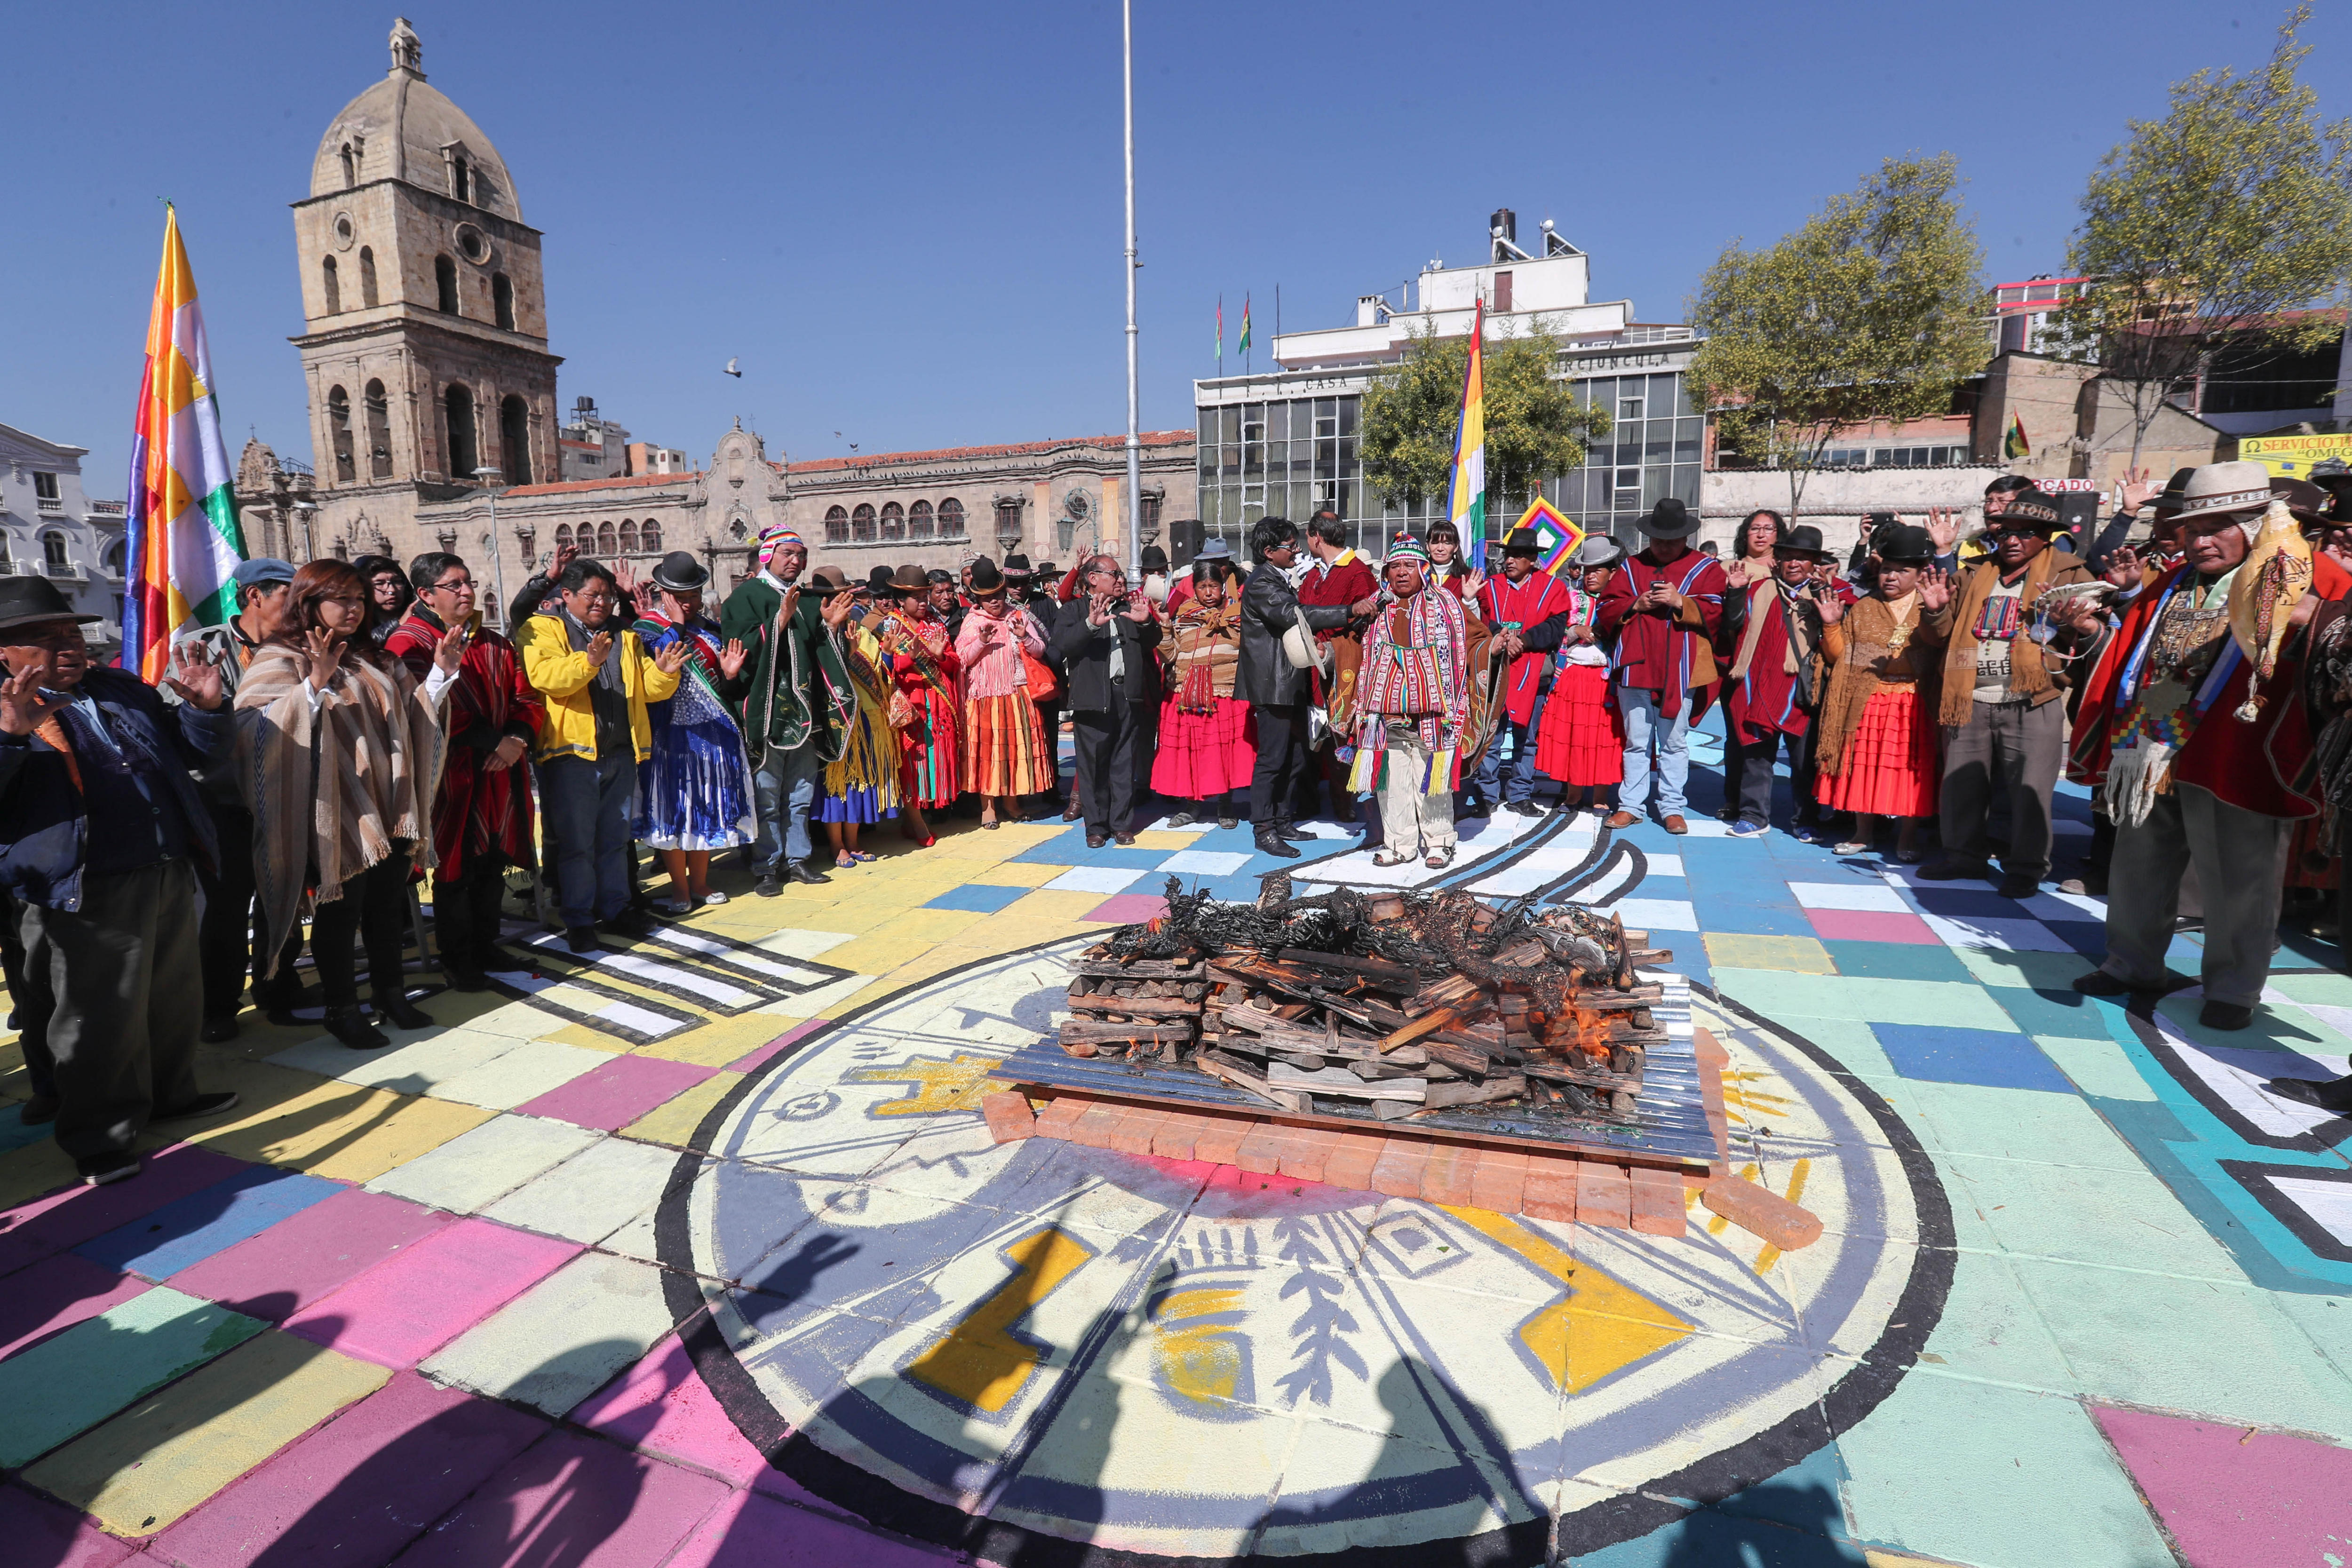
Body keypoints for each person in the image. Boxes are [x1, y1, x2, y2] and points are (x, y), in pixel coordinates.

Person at [0, 578, 238, 1185]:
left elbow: (192, 753)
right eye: (46, 638)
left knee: (171, 997)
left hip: (163, 862)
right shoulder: (7, 707)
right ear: (6, 653)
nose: (69, 646)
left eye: (72, 632)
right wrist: (10, 739)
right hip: (87, 883)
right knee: (98, 1016)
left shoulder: (119, 688)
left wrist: (205, 711)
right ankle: (99, 1136)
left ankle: (171, 1095)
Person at [2070, 461, 2318, 1030]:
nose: (2199, 541)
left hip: (2236, 753)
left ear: (2255, 525)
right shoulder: (2172, 582)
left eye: (2218, 527)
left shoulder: (2296, 580)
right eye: (2191, 529)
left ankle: (2232, 988)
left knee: (2239, 877)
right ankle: (2131, 963)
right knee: (2137, 865)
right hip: (2151, 749)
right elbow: (2132, 649)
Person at [239, 560, 462, 1050]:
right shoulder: (280, 656)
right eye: (340, 598)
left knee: (386, 906)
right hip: (331, 805)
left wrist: (442, 677)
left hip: (388, 801)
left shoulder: (374, 657)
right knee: (341, 912)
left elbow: (413, 715)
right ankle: (342, 1008)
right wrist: (313, 686)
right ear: (308, 602)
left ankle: (389, 993)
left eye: (359, 599)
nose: (353, 608)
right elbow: (255, 730)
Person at [1922, 489, 2096, 898]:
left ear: (2047, 536)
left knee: (2030, 790)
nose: (2013, 540)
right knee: (1961, 786)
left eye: (2027, 532)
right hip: (1969, 695)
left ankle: (2026, 867)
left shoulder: (2072, 573)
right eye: (2006, 532)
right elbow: (1939, 636)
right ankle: (1963, 856)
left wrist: (2071, 623)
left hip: (2032, 699)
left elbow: (2089, 634)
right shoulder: (1973, 572)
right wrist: (1934, 610)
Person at [383, 553, 544, 990]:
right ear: (426, 595)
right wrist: (496, 742)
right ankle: (457, 956)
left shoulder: (493, 641)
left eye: (468, 582)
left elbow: (526, 697)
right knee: (455, 868)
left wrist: (516, 739)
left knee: (492, 861)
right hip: (447, 777)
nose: (467, 591)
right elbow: (420, 706)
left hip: (498, 771)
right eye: (453, 585)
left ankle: (486, 942)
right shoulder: (409, 642)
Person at [520, 557, 685, 951]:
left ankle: (616, 910)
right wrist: (589, 662)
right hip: (571, 755)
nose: (601, 603)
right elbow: (546, 679)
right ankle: (579, 919)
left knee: (614, 841)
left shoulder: (625, 635)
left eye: (607, 596)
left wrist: (663, 672)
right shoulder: (542, 628)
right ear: (567, 596)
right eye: (592, 595)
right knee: (577, 844)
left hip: (619, 752)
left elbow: (646, 688)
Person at [171, 557, 294, 1040]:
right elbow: (185, 728)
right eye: (289, 595)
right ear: (255, 596)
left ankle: (278, 985)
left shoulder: (300, 649)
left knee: (281, 898)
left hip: (284, 796)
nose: (299, 607)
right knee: (224, 909)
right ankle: (218, 1005)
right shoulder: (200, 648)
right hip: (222, 803)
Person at [719, 525, 853, 893]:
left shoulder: (809, 600)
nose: (796, 561)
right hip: (767, 715)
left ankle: (797, 860)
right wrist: (777, 623)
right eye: (788, 553)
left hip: (806, 713)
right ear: (768, 555)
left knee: (800, 793)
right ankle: (766, 866)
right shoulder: (744, 597)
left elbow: (819, 653)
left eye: (801, 554)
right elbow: (737, 649)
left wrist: (831, 628)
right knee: (766, 794)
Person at [1809, 525, 1952, 861]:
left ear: (1920, 574)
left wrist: (1935, 611)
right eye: (1887, 568)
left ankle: (1908, 836)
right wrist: (1831, 625)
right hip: (1869, 698)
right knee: (1863, 765)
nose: (1892, 577)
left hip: (1915, 701)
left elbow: (1941, 642)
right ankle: (1862, 834)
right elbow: (1841, 658)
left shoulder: (1929, 603)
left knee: (1912, 768)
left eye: (1903, 571)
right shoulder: (1863, 607)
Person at [1237, 518, 1377, 858]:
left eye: (1298, 543)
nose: (1298, 550)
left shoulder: (1280, 578)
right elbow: (1296, 615)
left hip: (1291, 681)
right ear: (1270, 553)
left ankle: (1283, 819)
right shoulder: (1261, 583)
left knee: (1295, 757)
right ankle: (1264, 828)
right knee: (1272, 759)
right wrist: (1348, 610)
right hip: (1273, 684)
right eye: (1291, 546)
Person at [629, 551, 756, 914]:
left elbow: (725, 686)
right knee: (675, 812)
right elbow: (655, 668)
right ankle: (680, 888)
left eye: (695, 594)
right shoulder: (647, 630)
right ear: (664, 594)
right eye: (681, 595)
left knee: (705, 807)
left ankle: (700, 882)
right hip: (671, 736)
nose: (690, 602)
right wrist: (678, 623)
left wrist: (730, 675)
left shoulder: (711, 630)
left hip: (713, 734)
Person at [1597, 497, 1726, 834]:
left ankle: (1672, 807)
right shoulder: (1631, 567)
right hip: (1637, 667)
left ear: (1686, 538)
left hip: (1681, 669)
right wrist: (1635, 603)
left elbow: (1717, 611)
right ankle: (1631, 805)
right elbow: (1607, 606)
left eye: (1672, 541)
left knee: (1674, 742)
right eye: (1659, 540)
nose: (1665, 547)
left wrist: (1680, 601)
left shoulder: (1705, 568)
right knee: (1636, 741)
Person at [1350, 536, 1471, 869]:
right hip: (1384, 714)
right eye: (1395, 567)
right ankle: (1400, 843)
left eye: (1408, 566)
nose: (1402, 573)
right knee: (1392, 782)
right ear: (1386, 572)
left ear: (1422, 569)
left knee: (1432, 779)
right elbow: (1352, 646)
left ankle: (1439, 842)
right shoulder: (1375, 605)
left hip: (1433, 715)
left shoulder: (1445, 603)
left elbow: (1472, 641)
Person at [1717, 525, 1838, 838]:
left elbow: (1839, 635)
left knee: (1803, 762)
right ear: (1779, 560)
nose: (1794, 563)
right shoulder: (1759, 590)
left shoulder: (1826, 596)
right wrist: (1735, 591)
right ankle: (1754, 816)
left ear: (1815, 564)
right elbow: (1732, 623)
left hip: (1801, 690)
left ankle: (1805, 821)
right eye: (1789, 557)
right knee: (1756, 755)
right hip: (1758, 683)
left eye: (1803, 558)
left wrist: (1828, 593)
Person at [1048, 555, 1161, 848]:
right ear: (1094, 578)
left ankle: (1122, 825)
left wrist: (1147, 622)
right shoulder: (1073, 610)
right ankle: (1096, 827)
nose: (1121, 579)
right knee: (1093, 766)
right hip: (1092, 699)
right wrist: (1089, 625)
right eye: (1115, 574)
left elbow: (1153, 641)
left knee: (1124, 764)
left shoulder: (1128, 609)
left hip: (1127, 696)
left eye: (1121, 574)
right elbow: (1059, 648)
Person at [1471, 525, 1574, 819]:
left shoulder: (1553, 588)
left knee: (1527, 739)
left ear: (1532, 559)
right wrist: (1500, 637)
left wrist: (1523, 640)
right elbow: (1479, 622)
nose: (1510, 561)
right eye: (1508, 555)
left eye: (1518, 556)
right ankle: (1487, 794)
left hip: (1533, 673)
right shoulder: (1490, 587)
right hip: (1496, 672)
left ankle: (1520, 793)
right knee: (1491, 736)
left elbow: (1556, 628)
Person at [1152, 559, 1255, 829]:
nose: (1208, 593)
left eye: (1213, 586)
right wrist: (1164, 628)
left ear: (1223, 587)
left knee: (1224, 753)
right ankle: (1192, 805)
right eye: (1202, 587)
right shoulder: (1183, 616)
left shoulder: (1237, 615)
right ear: (1194, 589)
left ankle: (1226, 806)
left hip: (1223, 696)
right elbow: (1171, 654)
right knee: (1192, 752)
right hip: (1187, 696)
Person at [1534, 535, 1627, 818]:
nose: (1590, 576)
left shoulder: (1622, 603)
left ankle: (1600, 797)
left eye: (1597, 570)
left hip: (1604, 681)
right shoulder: (1571, 598)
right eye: (1587, 570)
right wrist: (1575, 632)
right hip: (1573, 678)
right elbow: (1554, 633)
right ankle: (1573, 794)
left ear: (1613, 573)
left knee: (1602, 738)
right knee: (1574, 736)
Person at [956, 557, 1054, 828]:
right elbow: (962, 659)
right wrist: (981, 641)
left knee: (1013, 751)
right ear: (978, 599)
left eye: (998, 596)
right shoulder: (972, 622)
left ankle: (1012, 803)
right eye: (988, 599)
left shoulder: (1018, 617)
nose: (995, 602)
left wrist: (1025, 636)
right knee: (987, 753)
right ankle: (988, 807)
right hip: (984, 698)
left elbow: (1040, 651)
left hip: (1016, 694)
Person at [814, 567, 900, 867]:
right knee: (837, 782)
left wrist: (887, 654)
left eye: (844, 596)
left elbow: (879, 672)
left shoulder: (861, 630)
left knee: (861, 780)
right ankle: (836, 845)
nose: (841, 601)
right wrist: (845, 654)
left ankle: (853, 841)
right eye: (834, 597)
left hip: (867, 716)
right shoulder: (814, 629)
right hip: (836, 718)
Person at [872, 562, 961, 846]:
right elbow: (880, 669)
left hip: (937, 704)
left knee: (932, 760)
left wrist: (941, 657)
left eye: (926, 597)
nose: (924, 603)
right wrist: (909, 658)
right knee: (910, 763)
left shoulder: (935, 625)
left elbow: (953, 664)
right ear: (901, 600)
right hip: (909, 706)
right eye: (918, 598)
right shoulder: (888, 627)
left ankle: (920, 817)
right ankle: (916, 821)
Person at [1298, 510, 1378, 822]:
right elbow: (1303, 612)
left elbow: (1366, 623)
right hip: (1311, 669)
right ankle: (1311, 801)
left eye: (1308, 537)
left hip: (1342, 668)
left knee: (1341, 736)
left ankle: (1345, 802)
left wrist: (1332, 649)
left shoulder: (1356, 572)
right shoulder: (1315, 574)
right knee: (1313, 735)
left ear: (1317, 536)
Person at [351, 554, 415, 653]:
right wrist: (398, 624)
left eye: (397, 582)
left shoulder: (419, 613)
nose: (391, 590)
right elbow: (358, 645)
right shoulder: (354, 620)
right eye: (380, 584)